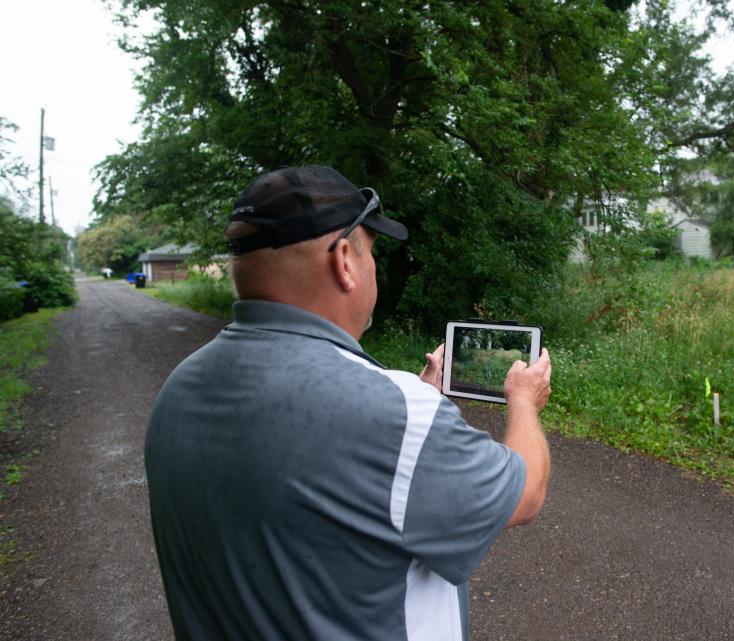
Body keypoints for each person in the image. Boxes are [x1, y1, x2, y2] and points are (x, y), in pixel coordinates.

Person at [144, 166, 552, 641]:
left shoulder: (177, 391)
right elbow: (526, 497)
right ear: (344, 260)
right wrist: (523, 402)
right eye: (372, 252)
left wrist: (411, 412)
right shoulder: (396, 414)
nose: (373, 267)